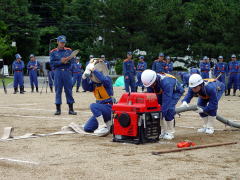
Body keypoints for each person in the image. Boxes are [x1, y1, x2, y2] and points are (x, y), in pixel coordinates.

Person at [141, 69, 184, 140]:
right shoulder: (149, 82)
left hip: (175, 92)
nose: (151, 86)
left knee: (169, 108)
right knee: (157, 108)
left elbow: (166, 102)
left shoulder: (166, 83)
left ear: (154, 80)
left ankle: (170, 132)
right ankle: (163, 131)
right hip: (162, 91)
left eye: (152, 85)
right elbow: (151, 97)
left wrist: (160, 114)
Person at [82, 59, 113, 136]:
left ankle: (103, 126)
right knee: (87, 128)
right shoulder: (94, 83)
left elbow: (103, 79)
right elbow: (86, 88)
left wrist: (94, 70)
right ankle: (108, 123)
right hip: (100, 109)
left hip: (109, 107)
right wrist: (84, 77)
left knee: (93, 106)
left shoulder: (107, 79)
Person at [50, 35, 77, 115]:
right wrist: (60, 62)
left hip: (67, 72)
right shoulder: (53, 52)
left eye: (64, 42)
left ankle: (71, 109)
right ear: (57, 42)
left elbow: (73, 61)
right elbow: (52, 63)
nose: (62, 44)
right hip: (58, 72)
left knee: (68, 90)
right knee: (58, 90)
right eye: (61, 42)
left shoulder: (69, 50)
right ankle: (58, 109)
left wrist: (67, 61)